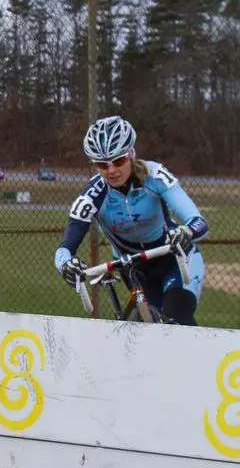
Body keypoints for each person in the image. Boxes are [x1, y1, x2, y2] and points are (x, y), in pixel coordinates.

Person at [54, 116, 207, 325]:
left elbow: (198, 220)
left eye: (118, 161)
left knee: (177, 319)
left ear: (131, 154)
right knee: (147, 333)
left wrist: (187, 232)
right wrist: (65, 264)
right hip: (135, 269)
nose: (111, 170)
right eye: (102, 164)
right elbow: (65, 248)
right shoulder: (93, 194)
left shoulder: (154, 175)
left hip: (173, 258)